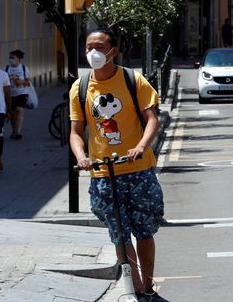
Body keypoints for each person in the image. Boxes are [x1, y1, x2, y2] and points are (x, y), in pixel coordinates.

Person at [69, 28, 165, 302]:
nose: (92, 53)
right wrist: (81, 157)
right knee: (119, 235)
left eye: (98, 47)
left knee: (144, 231)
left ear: (113, 51)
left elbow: (152, 120)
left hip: (137, 171)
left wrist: (140, 146)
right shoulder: (81, 86)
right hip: (103, 175)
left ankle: (147, 286)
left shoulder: (133, 79)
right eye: (88, 47)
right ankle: (135, 290)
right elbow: (76, 131)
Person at [5, 49, 30, 140]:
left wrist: (21, 81)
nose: (11, 59)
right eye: (10, 58)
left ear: (18, 58)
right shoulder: (7, 69)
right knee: (12, 113)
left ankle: (18, 132)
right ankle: (14, 131)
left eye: (12, 57)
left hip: (22, 93)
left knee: (19, 110)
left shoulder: (24, 68)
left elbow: (28, 82)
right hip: (10, 94)